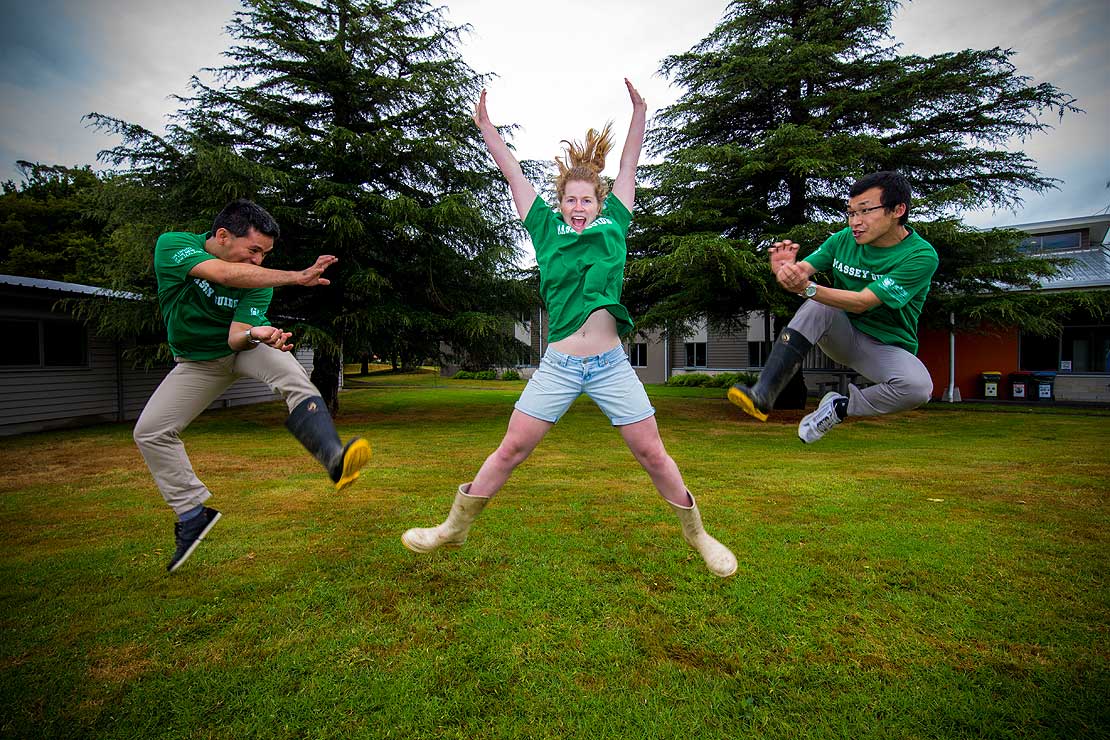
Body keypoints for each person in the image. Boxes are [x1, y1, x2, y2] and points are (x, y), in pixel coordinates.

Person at [401, 81, 736, 578]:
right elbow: (512, 172)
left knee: (652, 453)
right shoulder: (544, 227)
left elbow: (627, 167)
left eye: (587, 200)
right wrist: (487, 128)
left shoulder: (615, 224)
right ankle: (453, 527)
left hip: (610, 365)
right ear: (559, 202)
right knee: (511, 448)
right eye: (570, 200)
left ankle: (698, 533)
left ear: (600, 203)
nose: (579, 207)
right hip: (559, 364)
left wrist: (640, 112)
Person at [134, 199, 372, 573]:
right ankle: (192, 513)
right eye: (255, 250)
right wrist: (296, 276)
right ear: (224, 236)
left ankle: (334, 457)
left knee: (291, 374)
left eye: (266, 254)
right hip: (198, 361)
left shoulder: (258, 283)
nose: (259, 261)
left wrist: (257, 333)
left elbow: (236, 338)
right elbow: (225, 276)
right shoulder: (174, 245)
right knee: (150, 432)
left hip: (241, 348)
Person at [728, 171, 938, 443]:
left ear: (898, 210)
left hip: (885, 347)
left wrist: (806, 287)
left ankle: (839, 407)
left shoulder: (920, 256)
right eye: (851, 213)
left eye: (865, 211)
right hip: (842, 334)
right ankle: (763, 392)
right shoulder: (841, 240)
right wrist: (788, 272)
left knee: (918, 388)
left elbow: (863, 302)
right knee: (820, 305)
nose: (855, 222)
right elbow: (804, 269)